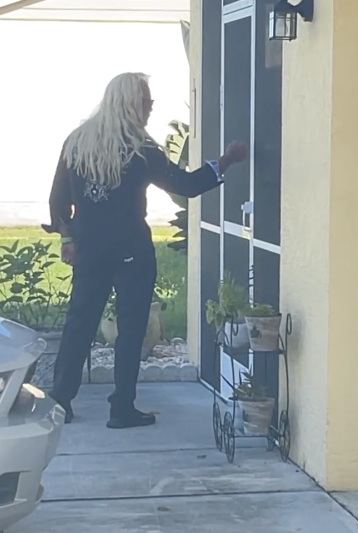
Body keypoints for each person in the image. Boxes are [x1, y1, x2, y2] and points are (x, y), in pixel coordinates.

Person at [43, 72, 248, 429]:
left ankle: (60, 400)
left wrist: (67, 239)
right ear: (133, 104)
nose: (151, 109)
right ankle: (121, 408)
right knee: (131, 327)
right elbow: (186, 185)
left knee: (80, 324)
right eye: (147, 102)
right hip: (131, 251)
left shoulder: (76, 143)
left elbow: (57, 200)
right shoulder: (142, 149)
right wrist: (226, 160)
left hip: (90, 249)